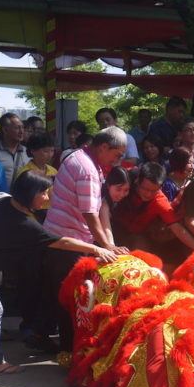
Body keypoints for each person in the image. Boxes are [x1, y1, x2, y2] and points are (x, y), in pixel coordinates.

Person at [0, 171, 118, 375]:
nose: (47, 198)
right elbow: (63, 242)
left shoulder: (2, 200)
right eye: (44, 193)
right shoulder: (23, 224)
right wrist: (97, 248)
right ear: (31, 193)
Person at [40, 126, 130, 352]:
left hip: (66, 237)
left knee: (64, 295)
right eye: (117, 154)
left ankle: (63, 344)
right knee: (70, 298)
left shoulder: (82, 158)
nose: (119, 160)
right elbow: (90, 214)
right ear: (103, 147)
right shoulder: (87, 169)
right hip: (67, 242)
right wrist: (105, 247)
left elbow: (100, 210)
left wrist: (107, 244)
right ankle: (70, 351)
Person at [111, 162, 194, 262]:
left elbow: (177, 229)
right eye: (145, 189)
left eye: (154, 190)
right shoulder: (126, 181)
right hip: (112, 227)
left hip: (137, 234)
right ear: (137, 181)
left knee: (141, 253)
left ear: (160, 187)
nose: (148, 194)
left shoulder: (159, 201)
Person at [0, 113, 29, 188]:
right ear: (5, 130)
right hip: (0, 197)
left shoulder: (27, 152)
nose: (21, 131)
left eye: (22, 127)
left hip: (22, 198)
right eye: (17, 128)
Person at [99, 167, 131, 250]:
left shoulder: (118, 199)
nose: (122, 194)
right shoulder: (103, 203)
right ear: (108, 185)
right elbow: (106, 227)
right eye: (118, 189)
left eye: (126, 190)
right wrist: (112, 246)